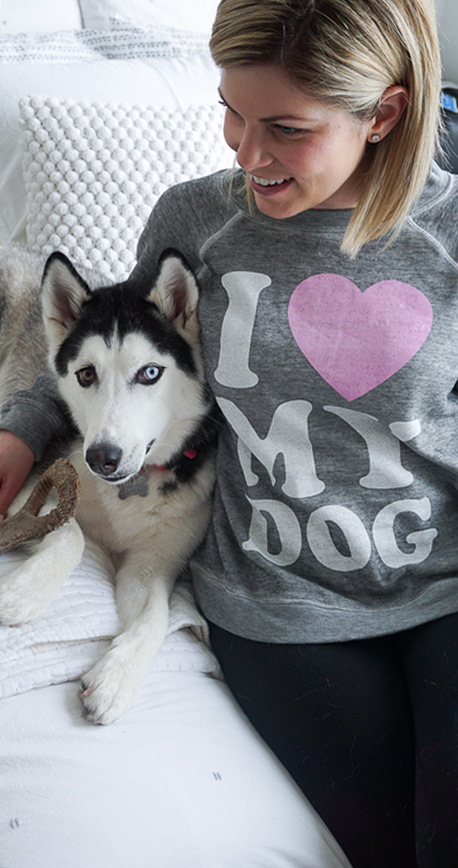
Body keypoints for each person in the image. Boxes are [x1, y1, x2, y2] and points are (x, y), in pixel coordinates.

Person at [0, 0, 457, 865]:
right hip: (277, 601)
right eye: (229, 111)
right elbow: (106, 356)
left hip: (444, 584)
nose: (244, 154)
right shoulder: (194, 220)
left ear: (384, 115)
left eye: (284, 127)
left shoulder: (449, 235)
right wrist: (20, 433)